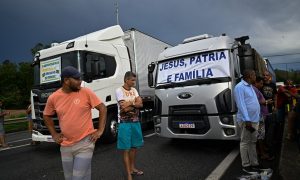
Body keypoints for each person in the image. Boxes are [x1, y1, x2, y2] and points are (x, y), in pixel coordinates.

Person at [43, 66, 107, 180]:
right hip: (65, 145)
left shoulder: (86, 92)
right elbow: (46, 115)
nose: (80, 81)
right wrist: (54, 134)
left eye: (80, 78)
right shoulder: (53, 97)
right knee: (75, 177)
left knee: (77, 178)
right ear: (66, 80)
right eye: (77, 79)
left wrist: (100, 130)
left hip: (85, 143)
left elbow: (102, 108)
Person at [116, 71, 144, 180]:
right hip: (124, 123)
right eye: (132, 80)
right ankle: (128, 174)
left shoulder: (134, 90)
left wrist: (131, 104)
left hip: (135, 122)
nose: (134, 82)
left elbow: (140, 104)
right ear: (126, 79)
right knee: (126, 149)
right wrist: (134, 104)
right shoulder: (119, 91)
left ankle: (132, 168)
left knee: (133, 148)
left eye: (134, 80)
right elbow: (124, 108)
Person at [234, 69, 261, 173]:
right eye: (254, 75)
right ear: (250, 76)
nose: (256, 76)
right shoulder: (239, 87)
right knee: (245, 142)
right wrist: (247, 119)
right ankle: (246, 165)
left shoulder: (250, 86)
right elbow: (241, 105)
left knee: (253, 142)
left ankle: (254, 163)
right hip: (247, 121)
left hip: (255, 119)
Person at [253, 76, 274, 161]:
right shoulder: (254, 90)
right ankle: (262, 154)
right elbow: (255, 102)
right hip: (259, 115)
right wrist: (266, 102)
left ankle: (260, 150)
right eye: (261, 83)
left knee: (260, 135)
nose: (262, 85)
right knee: (260, 135)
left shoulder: (256, 89)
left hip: (262, 115)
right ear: (256, 82)